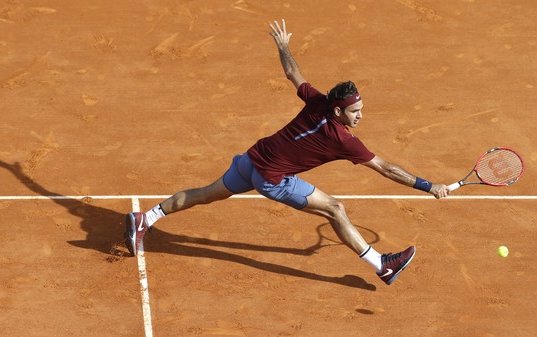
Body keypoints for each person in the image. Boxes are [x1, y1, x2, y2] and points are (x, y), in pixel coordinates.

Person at [124, 19, 450, 285]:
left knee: (208, 192)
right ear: (338, 112)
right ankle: (382, 265)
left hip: (251, 160)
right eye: (355, 112)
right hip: (272, 179)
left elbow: (293, 72)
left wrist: (282, 45)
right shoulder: (344, 140)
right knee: (335, 210)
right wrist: (428, 186)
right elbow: (387, 169)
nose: (360, 116)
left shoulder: (317, 101)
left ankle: (146, 218)